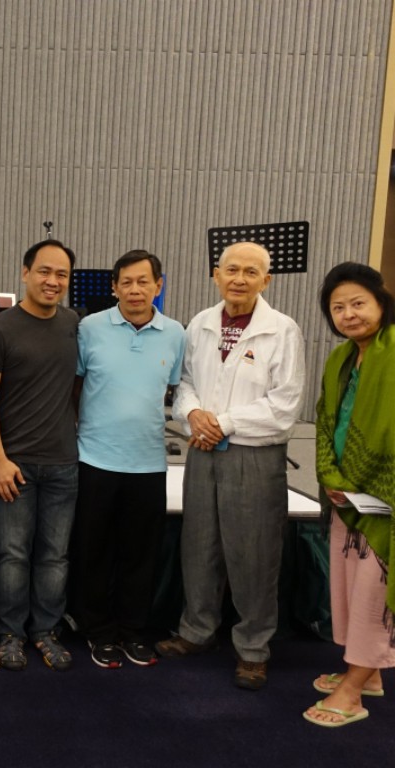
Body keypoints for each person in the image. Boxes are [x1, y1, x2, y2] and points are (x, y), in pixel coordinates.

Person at [156, 241, 305, 691]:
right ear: (215, 275)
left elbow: (285, 405)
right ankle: (196, 630)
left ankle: (253, 649)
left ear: (267, 280)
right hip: (203, 450)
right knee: (198, 546)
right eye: (231, 270)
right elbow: (184, 383)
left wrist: (222, 423)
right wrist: (193, 414)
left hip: (253, 456)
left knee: (254, 554)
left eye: (251, 272)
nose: (239, 279)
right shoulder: (200, 323)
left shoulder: (282, 330)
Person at [73, 250, 185, 668]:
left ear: (158, 286)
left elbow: (173, 388)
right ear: (114, 287)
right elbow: (75, 386)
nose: (135, 290)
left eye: (144, 282)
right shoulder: (89, 328)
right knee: (94, 553)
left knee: (140, 555)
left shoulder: (176, 333)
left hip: (148, 463)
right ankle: (98, 632)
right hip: (95, 459)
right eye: (126, 282)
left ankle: (133, 631)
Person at [0, 239, 79, 672]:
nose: (53, 281)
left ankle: (45, 631)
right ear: (25, 273)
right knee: (13, 555)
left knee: (54, 556)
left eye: (62, 274)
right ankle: (10, 634)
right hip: (13, 464)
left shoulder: (73, 324)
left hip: (63, 463)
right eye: (44, 271)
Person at [303, 262, 395, 727]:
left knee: (374, 591)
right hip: (345, 495)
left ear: (382, 302)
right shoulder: (340, 358)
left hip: (386, 498)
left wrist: (367, 482)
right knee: (352, 588)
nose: (349, 314)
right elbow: (325, 419)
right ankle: (369, 671)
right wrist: (329, 473)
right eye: (338, 308)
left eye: (358, 303)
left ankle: (352, 691)